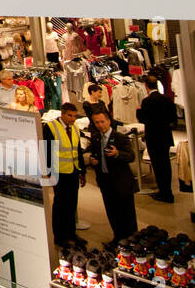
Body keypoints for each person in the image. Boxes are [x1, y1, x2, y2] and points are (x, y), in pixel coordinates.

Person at [84, 106, 139, 242]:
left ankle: (131, 241)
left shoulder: (120, 138)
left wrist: (117, 154)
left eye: (102, 122)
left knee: (127, 214)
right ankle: (118, 237)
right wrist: (91, 159)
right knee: (112, 212)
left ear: (109, 121)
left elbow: (131, 156)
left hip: (122, 183)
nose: (100, 125)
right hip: (105, 182)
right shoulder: (96, 138)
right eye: (96, 122)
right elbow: (90, 153)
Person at [43, 102, 85, 247]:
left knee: (72, 204)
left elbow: (78, 149)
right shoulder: (51, 127)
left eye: (74, 116)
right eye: (70, 115)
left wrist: (82, 171)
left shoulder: (75, 128)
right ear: (62, 113)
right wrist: (49, 173)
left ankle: (71, 234)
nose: (72, 119)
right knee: (60, 205)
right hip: (59, 173)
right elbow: (47, 151)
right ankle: (60, 237)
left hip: (73, 171)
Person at [136, 74, 176, 202]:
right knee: (165, 164)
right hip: (165, 136)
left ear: (146, 86)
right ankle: (167, 190)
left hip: (154, 137)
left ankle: (164, 193)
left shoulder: (147, 101)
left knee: (158, 166)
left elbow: (143, 119)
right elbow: (173, 118)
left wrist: (138, 111)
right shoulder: (166, 99)